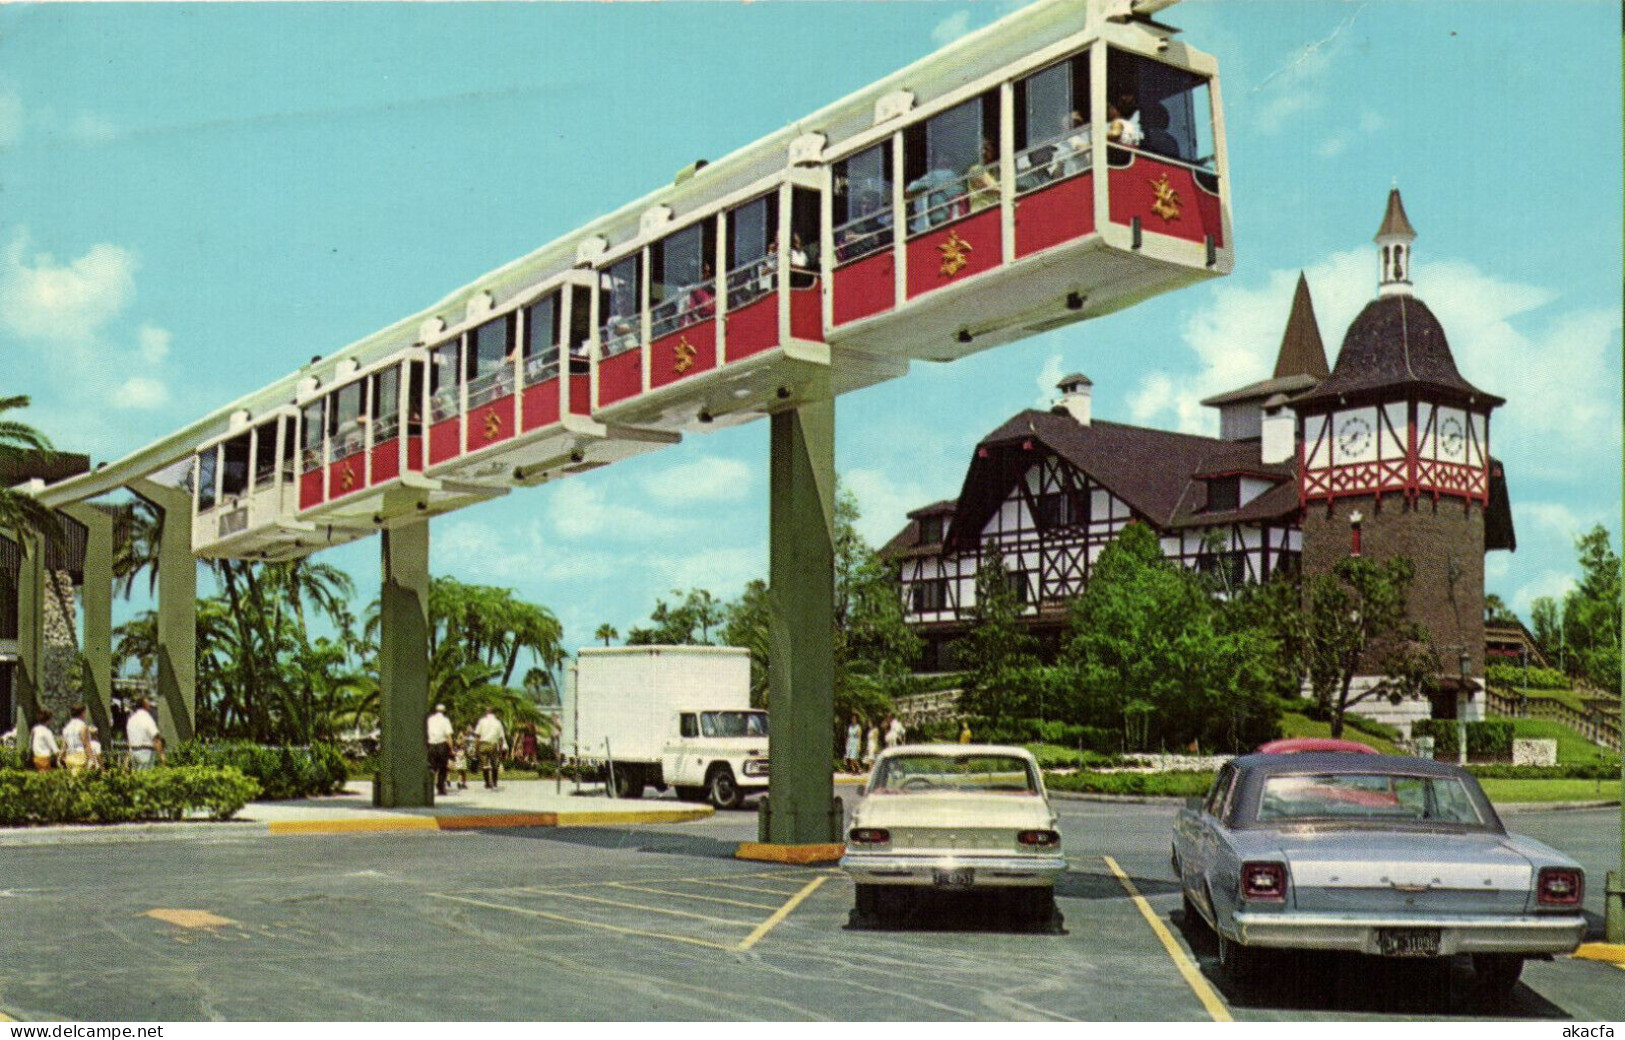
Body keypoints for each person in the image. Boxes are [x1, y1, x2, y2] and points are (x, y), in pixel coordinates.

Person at [474, 706, 507, 790]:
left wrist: (476, 748)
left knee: (484, 765)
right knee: (494, 764)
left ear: (486, 712)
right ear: (493, 713)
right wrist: (500, 749)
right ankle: (494, 782)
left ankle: (487, 783)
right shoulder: (498, 722)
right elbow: (501, 737)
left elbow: (477, 736)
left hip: (483, 744)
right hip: (493, 744)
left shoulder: (481, 721)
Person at [426, 703, 455, 796]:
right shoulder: (445, 720)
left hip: (431, 745)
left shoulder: (430, 719)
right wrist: (451, 748)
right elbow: (448, 735)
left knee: (432, 767)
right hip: (441, 745)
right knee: (442, 768)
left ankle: (429, 786)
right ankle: (440, 787)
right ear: (444, 711)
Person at [127, 697, 161, 771]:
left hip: (133, 751)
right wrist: (161, 755)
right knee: (146, 778)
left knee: (136, 777)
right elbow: (156, 736)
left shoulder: (131, 719)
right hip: (146, 752)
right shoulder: (147, 718)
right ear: (145, 705)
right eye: (148, 703)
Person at [967, 138, 1000, 213]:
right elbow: (990, 187)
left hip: (992, 210)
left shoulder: (992, 172)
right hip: (980, 212)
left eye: (990, 150)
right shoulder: (975, 169)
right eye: (986, 149)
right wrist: (1011, 194)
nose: (986, 152)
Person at [60, 703, 91, 773]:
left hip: (69, 756)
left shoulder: (66, 728)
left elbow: (64, 745)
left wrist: (60, 758)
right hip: (80, 756)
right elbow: (86, 744)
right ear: (82, 713)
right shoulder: (83, 726)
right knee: (80, 781)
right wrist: (93, 759)